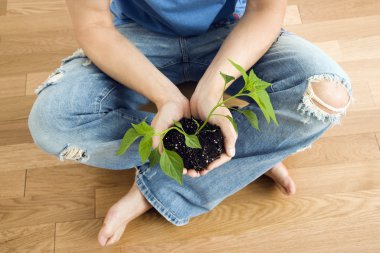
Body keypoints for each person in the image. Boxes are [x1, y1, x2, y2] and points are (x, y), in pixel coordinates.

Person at [27, 0, 353, 247]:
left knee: (327, 94)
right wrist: (167, 98)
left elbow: (265, 10)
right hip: (135, 39)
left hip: (231, 32)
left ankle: (163, 186)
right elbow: (94, 24)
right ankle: (249, 149)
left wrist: (212, 87)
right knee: (52, 122)